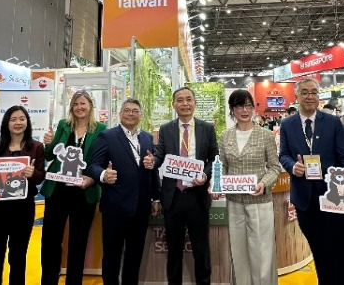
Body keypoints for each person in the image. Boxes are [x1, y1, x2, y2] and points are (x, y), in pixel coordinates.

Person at [279, 78, 344, 284]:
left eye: (314, 92)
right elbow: (283, 154)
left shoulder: (333, 122)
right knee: (319, 252)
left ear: (319, 96)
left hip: (335, 198)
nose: (309, 96)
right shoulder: (287, 124)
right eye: (304, 92)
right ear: (297, 96)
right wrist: (292, 167)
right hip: (305, 200)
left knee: (339, 250)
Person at [85, 98, 161, 285]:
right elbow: (93, 166)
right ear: (120, 114)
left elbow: (152, 170)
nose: (131, 114)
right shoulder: (107, 136)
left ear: (141, 115)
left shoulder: (147, 138)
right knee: (112, 256)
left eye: (135, 111)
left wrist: (155, 198)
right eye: (127, 110)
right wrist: (103, 174)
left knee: (134, 256)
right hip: (115, 207)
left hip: (141, 207)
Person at [149, 87, 218, 285]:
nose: (185, 104)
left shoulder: (207, 128)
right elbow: (160, 155)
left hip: (197, 196)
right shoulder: (166, 129)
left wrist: (205, 174)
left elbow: (214, 158)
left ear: (194, 103)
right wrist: (152, 161)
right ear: (174, 105)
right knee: (174, 250)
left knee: (201, 250)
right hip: (173, 197)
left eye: (188, 99)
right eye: (180, 100)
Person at [40, 92, 107, 285]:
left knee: (79, 241)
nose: (79, 107)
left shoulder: (101, 129)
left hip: (84, 190)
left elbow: (101, 160)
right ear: (71, 107)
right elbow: (49, 155)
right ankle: (48, 280)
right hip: (57, 189)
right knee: (51, 239)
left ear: (90, 106)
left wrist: (92, 179)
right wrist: (48, 143)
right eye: (76, 104)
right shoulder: (63, 125)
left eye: (83, 103)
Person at [0, 106, 45, 285]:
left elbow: (40, 176)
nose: (18, 123)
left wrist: (33, 174)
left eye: (22, 119)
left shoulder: (36, 147)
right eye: (13, 119)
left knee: (18, 257)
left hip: (22, 209)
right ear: (6, 123)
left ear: (27, 122)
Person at [218, 89, 280, 285]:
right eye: (239, 106)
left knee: (261, 251)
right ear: (232, 109)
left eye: (248, 106)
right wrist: (219, 184)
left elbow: (275, 168)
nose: (244, 110)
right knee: (238, 250)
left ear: (253, 108)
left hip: (260, 201)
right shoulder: (225, 136)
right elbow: (223, 167)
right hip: (235, 202)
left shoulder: (266, 135)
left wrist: (263, 183)